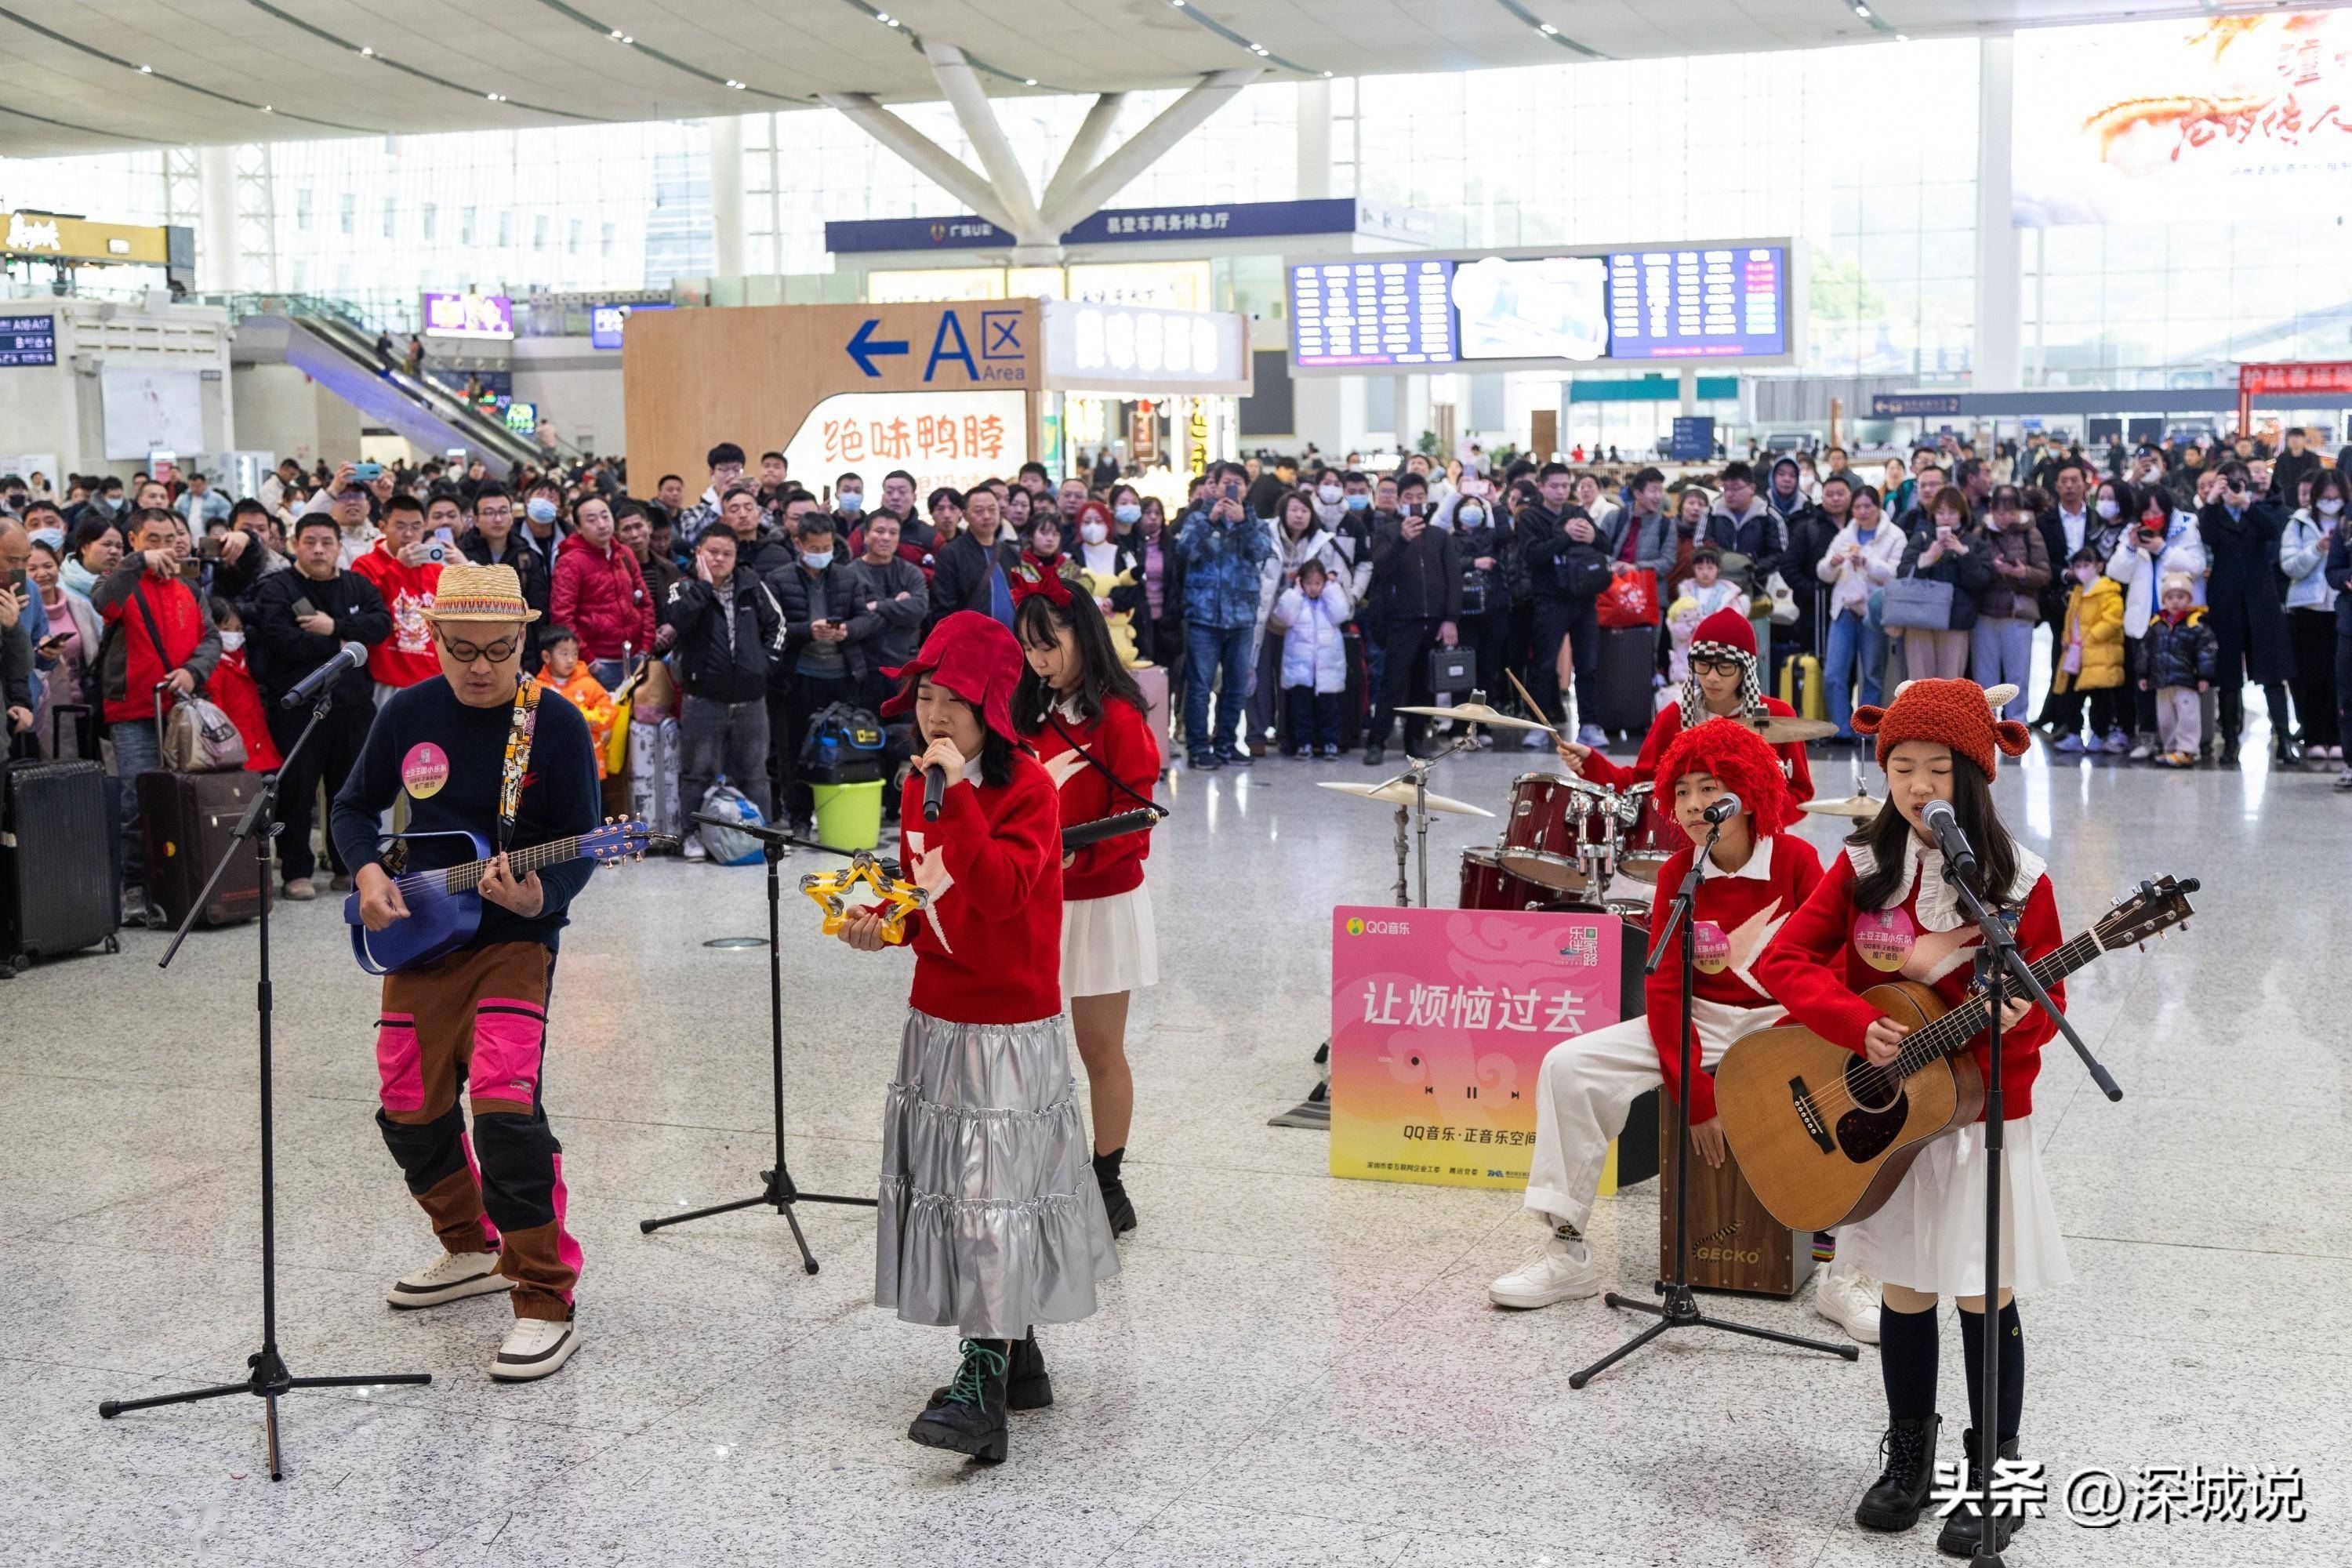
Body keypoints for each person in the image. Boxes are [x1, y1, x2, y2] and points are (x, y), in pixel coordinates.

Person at [1757, 680, 2068, 1555]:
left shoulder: (2019, 877)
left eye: (1940, 767)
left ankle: (1996, 1475)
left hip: (1978, 1120)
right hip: (1888, 1123)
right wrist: (1856, 1023)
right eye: (1903, 766)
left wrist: (2022, 1015)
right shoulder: (1862, 867)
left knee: (1979, 1288)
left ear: (1978, 776)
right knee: (1904, 1285)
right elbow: (1787, 959)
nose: (1920, 783)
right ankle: (1910, 1460)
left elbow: (2052, 991)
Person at [1489, 719, 1883, 1332]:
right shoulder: (1679, 874)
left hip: (1786, 1029)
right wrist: (1697, 1096)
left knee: (1863, 1095)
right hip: (1697, 1022)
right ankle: (1566, 1251)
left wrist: (1766, 1061)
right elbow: (1668, 990)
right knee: (1568, 1067)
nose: (1695, 804)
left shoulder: (1801, 863)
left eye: (1710, 788)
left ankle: (1846, 1274)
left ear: (1748, 793)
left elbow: (1829, 971)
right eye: (1683, 791)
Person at [838, 611, 1120, 1463]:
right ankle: (1015, 1353)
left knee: (993, 1195)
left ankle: (982, 1385)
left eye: (955, 702)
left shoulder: (1027, 787)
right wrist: (883, 922)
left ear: (993, 708)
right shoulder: (922, 782)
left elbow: (998, 892)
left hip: (1007, 1024)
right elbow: (937, 897)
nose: (934, 717)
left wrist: (956, 791)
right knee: (965, 1191)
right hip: (941, 1012)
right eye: (927, 698)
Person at [334, 564, 597, 1383]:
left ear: (524, 638)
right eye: (463, 650)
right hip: (421, 937)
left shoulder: (550, 722)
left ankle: (545, 1296)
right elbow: (351, 807)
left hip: (516, 941)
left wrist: (538, 892)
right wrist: (368, 870)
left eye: (500, 649)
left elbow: (584, 840)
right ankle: (469, 1246)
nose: (482, 667)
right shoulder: (409, 710)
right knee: (408, 1108)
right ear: (434, 639)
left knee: (507, 1109)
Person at [1011, 570, 1162, 1234]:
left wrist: (1082, 854)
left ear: (1084, 636)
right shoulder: (1025, 710)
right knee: (1027, 1045)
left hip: (1100, 902)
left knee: (1100, 1049)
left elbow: (1137, 815)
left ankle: (1108, 1183)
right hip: (1032, 899)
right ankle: (1037, 1169)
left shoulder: (1120, 718)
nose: (1040, 660)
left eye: (1050, 644)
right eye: (1029, 648)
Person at [92, 508, 222, 923]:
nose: (163, 546)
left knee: (186, 797)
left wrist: (192, 671)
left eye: (169, 537)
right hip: (133, 710)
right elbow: (103, 604)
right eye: (152, 538)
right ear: (134, 540)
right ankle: (135, 888)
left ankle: (182, 882)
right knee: (137, 797)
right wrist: (137, 564)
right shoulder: (118, 581)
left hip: (184, 709)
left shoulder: (188, 583)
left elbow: (212, 639)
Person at [252, 513, 391, 898]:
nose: (318, 549)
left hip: (353, 707)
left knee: (350, 791)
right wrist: (340, 644)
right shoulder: (277, 588)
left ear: (339, 547)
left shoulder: (357, 586)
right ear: (296, 544)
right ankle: (296, 870)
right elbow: (282, 639)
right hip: (298, 707)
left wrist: (333, 627)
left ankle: (348, 866)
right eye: (310, 541)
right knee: (297, 790)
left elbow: (381, 625)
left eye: (326, 542)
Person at [1558, 608, 1816, 804]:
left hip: (1759, 844)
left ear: (1746, 669)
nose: (1712, 677)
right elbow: (1642, 783)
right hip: (1693, 842)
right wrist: (1591, 763)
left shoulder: (1779, 716)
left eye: (1725, 667)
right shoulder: (1674, 716)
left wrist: (1754, 817)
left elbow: (1800, 791)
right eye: (1703, 665)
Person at [666, 526, 779, 860]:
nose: (719, 559)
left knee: (755, 772)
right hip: (702, 698)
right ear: (699, 551)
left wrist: (764, 665)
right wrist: (702, 586)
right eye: (712, 552)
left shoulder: (751, 584)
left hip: (750, 699)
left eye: (727, 554)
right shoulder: (682, 587)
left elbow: (778, 624)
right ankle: (692, 835)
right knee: (696, 772)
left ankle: (763, 836)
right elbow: (678, 618)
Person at [768, 512, 871, 833]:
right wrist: (806, 631)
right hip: (798, 678)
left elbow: (865, 619)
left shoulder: (847, 577)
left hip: (842, 676)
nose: (822, 552)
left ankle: (837, 814)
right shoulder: (779, 579)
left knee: (841, 746)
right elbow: (773, 627)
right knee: (796, 748)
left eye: (827, 546)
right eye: (815, 547)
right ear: (798, 544)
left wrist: (847, 632)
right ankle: (798, 816)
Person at [2198, 462, 2296, 766]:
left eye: (2238, 482)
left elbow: (2271, 531)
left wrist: (2247, 504)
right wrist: (2211, 501)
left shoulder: (2261, 509)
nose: (2233, 488)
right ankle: (2230, 741)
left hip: (2261, 599)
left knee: (2272, 670)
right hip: (2226, 601)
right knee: (2228, 675)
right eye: (2227, 482)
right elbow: (2208, 536)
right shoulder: (2213, 514)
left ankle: (2284, 739)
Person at [1175, 463, 1271, 771]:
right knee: (1200, 687)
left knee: (1235, 685)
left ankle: (1227, 743)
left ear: (1246, 488)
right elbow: (1185, 551)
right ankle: (1199, 747)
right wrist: (1211, 521)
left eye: (1238, 483)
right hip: (1203, 617)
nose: (1233, 488)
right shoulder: (1197, 518)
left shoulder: (1254, 520)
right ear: (1213, 486)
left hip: (1242, 617)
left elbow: (1262, 552)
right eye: (1226, 482)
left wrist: (1242, 523)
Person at [1362, 478, 1461, 768]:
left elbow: (1453, 579)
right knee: (1393, 682)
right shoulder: (1386, 533)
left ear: (1427, 501)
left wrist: (1451, 619)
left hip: (1435, 621)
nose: (1415, 500)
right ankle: (1377, 741)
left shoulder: (1440, 537)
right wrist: (1403, 540)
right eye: (1409, 496)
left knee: (1425, 685)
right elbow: (1381, 568)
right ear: (1400, 500)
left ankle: (1415, 740)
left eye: (1420, 496)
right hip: (1401, 620)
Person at [2107, 484, 2207, 760]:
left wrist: (2163, 549)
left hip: (2177, 620)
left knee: (2177, 685)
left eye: (2157, 511)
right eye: (2147, 511)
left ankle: (2178, 743)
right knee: (2143, 683)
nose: (2152, 516)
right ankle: (2147, 737)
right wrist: (2130, 546)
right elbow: (2117, 573)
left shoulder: (2187, 527)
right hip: (2143, 622)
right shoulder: (2133, 533)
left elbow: (2196, 565)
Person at [1517, 463, 1610, 746]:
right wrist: (1564, 537)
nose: (1560, 491)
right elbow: (1532, 555)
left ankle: (1591, 724)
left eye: (1565, 485)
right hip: (1550, 600)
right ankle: (1539, 726)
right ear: (1542, 487)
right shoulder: (1530, 517)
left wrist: (1594, 537)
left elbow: (1605, 544)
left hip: (1583, 598)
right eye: (1554, 486)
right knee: (1544, 665)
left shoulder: (1578, 512)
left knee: (1588, 664)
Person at [1818, 483, 1904, 742]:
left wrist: (1867, 561)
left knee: (1873, 675)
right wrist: (1832, 564)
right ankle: (1842, 730)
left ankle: (1866, 731)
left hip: (1873, 612)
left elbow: (1895, 574)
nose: (1863, 511)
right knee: (1834, 673)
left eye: (1868, 506)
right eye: (1857, 507)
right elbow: (1823, 572)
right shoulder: (1846, 535)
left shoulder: (1895, 536)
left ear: (1878, 507)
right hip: (1844, 609)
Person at [549, 494, 654, 688]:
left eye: (605, 516)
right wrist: (591, 662)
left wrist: (645, 647)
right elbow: (563, 618)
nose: (602, 524)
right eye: (592, 519)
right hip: (598, 660)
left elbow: (645, 601)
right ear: (578, 527)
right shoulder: (570, 562)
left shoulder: (625, 553)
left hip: (634, 656)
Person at [348, 493, 443, 703]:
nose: (409, 534)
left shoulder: (437, 570)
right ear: (382, 527)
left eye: (416, 526)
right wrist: (398, 568)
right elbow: (366, 615)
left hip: (435, 677)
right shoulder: (365, 565)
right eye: (400, 526)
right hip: (387, 678)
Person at [1968, 487, 2049, 720]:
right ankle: (1986, 724)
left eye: (2011, 512)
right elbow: (1972, 572)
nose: (2006, 518)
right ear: (1991, 510)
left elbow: (2044, 574)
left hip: (2018, 613)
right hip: (1985, 613)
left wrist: (2022, 572)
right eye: (2001, 513)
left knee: (2018, 676)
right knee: (1985, 677)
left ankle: (2017, 723)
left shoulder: (2030, 533)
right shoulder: (1980, 533)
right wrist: (1990, 568)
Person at [1895, 488, 1993, 681]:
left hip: (1956, 620)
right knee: (1919, 684)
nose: (1946, 518)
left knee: (1950, 684)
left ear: (1962, 514)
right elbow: (1902, 573)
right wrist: (1928, 557)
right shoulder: (1922, 538)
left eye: (1952, 512)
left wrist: (1963, 554)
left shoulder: (1972, 542)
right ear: (1933, 514)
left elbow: (1981, 580)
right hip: (1919, 619)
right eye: (1940, 513)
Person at [846, 510, 930, 713]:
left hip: (905, 668)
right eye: (880, 531)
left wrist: (877, 606)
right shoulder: (849, 574)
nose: (886, 538)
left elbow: (919, 611)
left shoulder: (910, 572)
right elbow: (857, 625)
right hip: (865, 670)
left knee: (905, 737)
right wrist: (898, 608)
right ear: (866, 534)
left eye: (893, 533)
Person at [2045, 548, 2126, 754]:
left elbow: (2113, 620)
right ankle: (2074, 733)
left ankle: (2099, 734)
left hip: (2098, 654)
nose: (2082, 570)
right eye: (2078, 566)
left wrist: (2090, 639)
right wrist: (2067, 639)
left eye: (2086, 565)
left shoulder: (2110, 591)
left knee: (2100, 697)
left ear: (2098, 565)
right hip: (2075, 654)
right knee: (2071, 694)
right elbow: (2070, 619)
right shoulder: (2078, 592)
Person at [24, 537, 100, 757]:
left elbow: (94, 653)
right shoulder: (23, 611)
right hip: (46, 709)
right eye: (32, 568)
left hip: (85, 706)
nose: (42, 573)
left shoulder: (79, 606)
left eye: (48, 566)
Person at [1272, 557, 1351, 760]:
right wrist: (1296, 592)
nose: (1314, 588)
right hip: (1301, 666)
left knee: (1329, 709)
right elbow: (1284, 616)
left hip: (1327, 666)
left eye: (1318, 583)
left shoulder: (1329, 599)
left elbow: (1341, 614)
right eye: (1309, 583)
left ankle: (1330, 742)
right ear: (1301, 582)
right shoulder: (1295, 599)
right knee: (1301, 709)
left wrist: (1332, 588)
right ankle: (1303, 743)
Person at [2139, 574, 2217, 768]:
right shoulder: (2156, 625)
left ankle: (2187, 750)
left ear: (2189, 599)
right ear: (2164, 600)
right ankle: (2171, 748)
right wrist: (2143, 674)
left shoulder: (2196, 625)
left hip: (2186, 681)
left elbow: (2206, 652)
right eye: (2170, 597)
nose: (2175, 601)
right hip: (2161, 681)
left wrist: (2204, 676)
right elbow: (2145, 651)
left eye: (2181, 596)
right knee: (2166, 719)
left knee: (2187, 717)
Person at [929, 485, 1024, 631]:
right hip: (972, 641)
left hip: (1012, 641)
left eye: (992, 509)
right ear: (965, 515)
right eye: (979, 511)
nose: (987, 516)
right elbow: (943, 608)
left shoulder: (1010, 552)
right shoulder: (951, 553)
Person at [533, 625, 616, 779]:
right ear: (546, 657)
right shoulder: (538, 688)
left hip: (589, 757)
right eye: (564, 654)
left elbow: (608, 710)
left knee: (593, 800)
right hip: (554, 760)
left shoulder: (589, 683)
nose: (571, 659)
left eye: (575, 653)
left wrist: (592, 720)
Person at [677, 442, 747, 546]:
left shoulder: (749, 505)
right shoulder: (694, 511)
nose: (731, 475)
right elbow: (689, 539)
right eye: (724, 469)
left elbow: (770, 526)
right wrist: (720, 503)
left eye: (736, 469)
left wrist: (753, 501)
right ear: (712, 473)